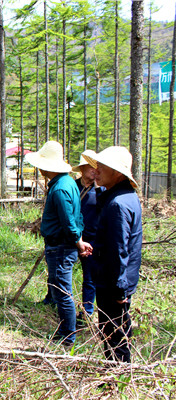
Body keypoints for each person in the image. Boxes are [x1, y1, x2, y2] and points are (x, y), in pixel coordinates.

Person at [24, 141, 92, 345]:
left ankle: (67, 336)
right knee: (58, 288)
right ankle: (65, 331)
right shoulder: (66, 183)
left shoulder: (61, 188)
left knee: (62, 292)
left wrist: (78, 242)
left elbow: (69, 220)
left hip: (61, 247)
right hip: (60, 245)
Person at [83, 146, 142, 363]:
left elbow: (119, 251)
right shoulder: (124, 196)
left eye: (102, 168)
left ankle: (117, 380)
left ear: (117, 173)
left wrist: (119, 289)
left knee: (113, 333)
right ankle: (116, 375)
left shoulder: (118, 204)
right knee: (116, 332)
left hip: (112, 283)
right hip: (116, 280)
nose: (95, 171)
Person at [72, 150, 104, 325]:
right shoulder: (73, 186)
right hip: (71, 237)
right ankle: (53, 298)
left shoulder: (101, 190)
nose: (94, 170)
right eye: (91, 167)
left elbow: (104, 209)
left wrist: (99, 189)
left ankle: (87, 312)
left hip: (91, 240)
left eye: (96, 168)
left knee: (89, 277)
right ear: (82, 168)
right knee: (59, 271)